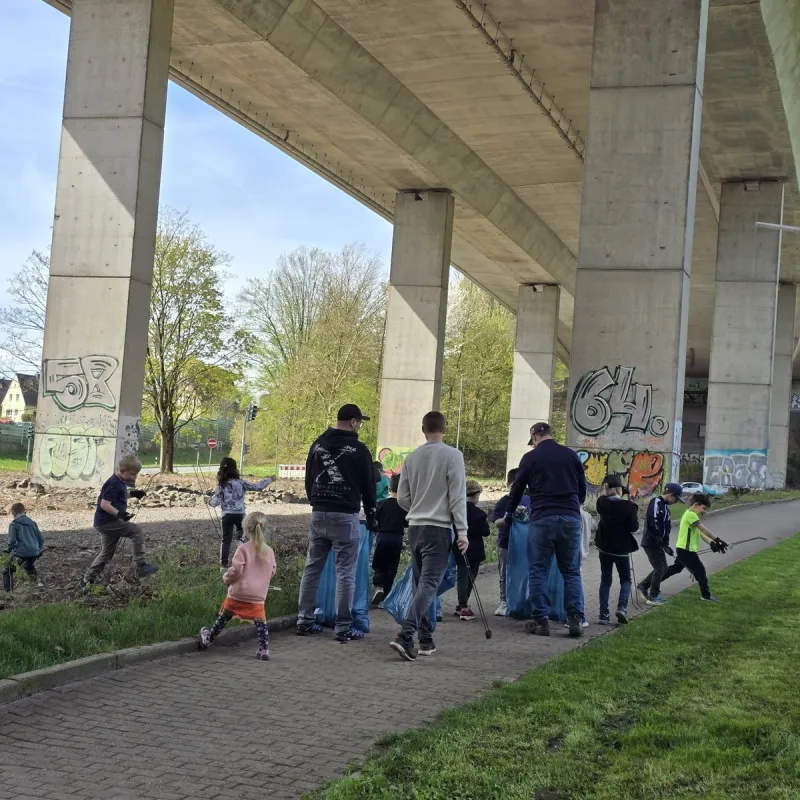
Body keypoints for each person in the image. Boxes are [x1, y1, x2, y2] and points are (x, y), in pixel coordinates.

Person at [389, 411, 468, 662]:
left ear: (423, 429)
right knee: (429, 584)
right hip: (439, 528)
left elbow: (401, 497)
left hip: (415, 528)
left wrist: (417, 507)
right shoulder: (453, 456)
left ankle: (425, 639)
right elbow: (457, 496)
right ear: (444, 429)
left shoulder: (412, 458)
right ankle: (406, 634)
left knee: (419, 583)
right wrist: (463, 531)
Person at [296, 404, 377, 643]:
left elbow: (309, 478)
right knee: (345, 573)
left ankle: (304, 620)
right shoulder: (359, 450)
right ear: (353, 422)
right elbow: (369, 486)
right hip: (345, 516)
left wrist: (316, 499)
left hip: (318, 512)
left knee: (312, 568)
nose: (359, 427)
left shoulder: (317, 444)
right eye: (360, 423)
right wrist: (372, 514)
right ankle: (343, 626)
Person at [505, 422, 587, 637]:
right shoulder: (571, 456)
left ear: (535, 437)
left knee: (538, 570)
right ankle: (576, 619)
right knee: (571, 571)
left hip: (542, 518)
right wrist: (574, 506)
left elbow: (517, 488)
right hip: (570, 518)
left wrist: (508, 513)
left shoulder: (531, 458)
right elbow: (582, 487)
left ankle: (541, 621)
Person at [199, 511, 276, 660]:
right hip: (258, 595)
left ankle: (209, 637)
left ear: (245, 529)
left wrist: (226, 578)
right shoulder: (269, 551)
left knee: (224, 616)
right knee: (261, 622)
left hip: (239, 592)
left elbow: (237, 570)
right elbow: (272, 571)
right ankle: (264, 649)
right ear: (264, 529)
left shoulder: (243, 549)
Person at [82, 454, 158, 586]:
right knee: (136, 531)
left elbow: (118, 496)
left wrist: (133, 494)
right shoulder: (113, 483)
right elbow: (104, 504)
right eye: (132, 474)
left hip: (103, 522)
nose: (134, 477)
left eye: (136, 474)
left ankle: (88, 580)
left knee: (107, 552)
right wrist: (120, 514)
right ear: (122, 471)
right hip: (107, 522)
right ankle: (141, 566)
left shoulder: (120, 482)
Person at [208, 457, 273, 569]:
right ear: (235, 469)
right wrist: (269, 479)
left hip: (226, 515)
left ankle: (223, 566)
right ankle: (243, 562)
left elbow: (214, 502)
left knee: (226, 540)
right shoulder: (241, 483)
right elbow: (258, 487)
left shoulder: (221, 485)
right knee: (242, 538)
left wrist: (208, 500)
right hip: (240, 515)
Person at [660, 494, 726, 602]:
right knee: (700, 571)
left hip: (683, 549)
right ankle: (706, 595)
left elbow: (700, 533)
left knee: (675, 569)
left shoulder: (690, 515)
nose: (705, 512)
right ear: (696, 505)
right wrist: (718, 539)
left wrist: (712, 543)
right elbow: (704, 530)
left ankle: (648, 584)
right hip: (686, 551)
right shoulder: (691, 515)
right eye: (704, 508)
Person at [594, 475, 640, 625]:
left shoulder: (601, 503)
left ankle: (603, 614)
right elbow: (634, 527)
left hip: (605, 548)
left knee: (605, 580)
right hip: (621, 549)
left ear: (606, 488)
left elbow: (604, 500)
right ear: (620, 490)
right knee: (626, 579)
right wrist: (632, 505)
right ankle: (622, 608)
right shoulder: (629, 507)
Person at [491, 468, 531, 616]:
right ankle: (504, 601)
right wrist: (508, 519)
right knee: (504, 573)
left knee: (524, 573)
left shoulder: (528, 501)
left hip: (523, 544)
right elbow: (496, 523)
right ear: (509, 484)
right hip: (506, 543)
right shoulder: (503, 502)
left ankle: (521, 601)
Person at [637, 482, 684, 605]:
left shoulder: (666, 509)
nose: (676, 502)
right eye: (676, 499)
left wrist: (666, 545)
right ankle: (653, 595)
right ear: (671, 494)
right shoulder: (656, 502)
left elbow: (666, 529)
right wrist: (658, 539)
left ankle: (643, 586)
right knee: (660, 568)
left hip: (659, 544)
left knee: (662, 568)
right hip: (651, 542)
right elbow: (653, 521)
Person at [454, 480, 491, 620]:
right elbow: (486, 532)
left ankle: (462, 603)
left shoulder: (457, 511)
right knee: (471, 576)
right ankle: (463, 605)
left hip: (459, 546)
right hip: (475, 549)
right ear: (476, 496)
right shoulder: (480, 514)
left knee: (462, 575)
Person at [371, 473, 407, 605]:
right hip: (397, 538)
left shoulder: (382, 504)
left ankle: (378, 586)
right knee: (392, 567)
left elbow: (375, 521)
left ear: (389, 488)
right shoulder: (404, 506)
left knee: (379, 564)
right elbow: (406, 523)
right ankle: (386, 595)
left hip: (383, 537)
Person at [3, 502, 44, 590]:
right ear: (24, 511)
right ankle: (38, 586)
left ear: (13, 513)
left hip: (21, 554)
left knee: (9, 570)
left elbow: (12, 541)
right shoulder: (33, 523)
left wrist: (8, 550)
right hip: (34, 552)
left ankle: (9, 592)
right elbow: (41, 539)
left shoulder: (14, 524)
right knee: (29, 567)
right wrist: (38, 550)